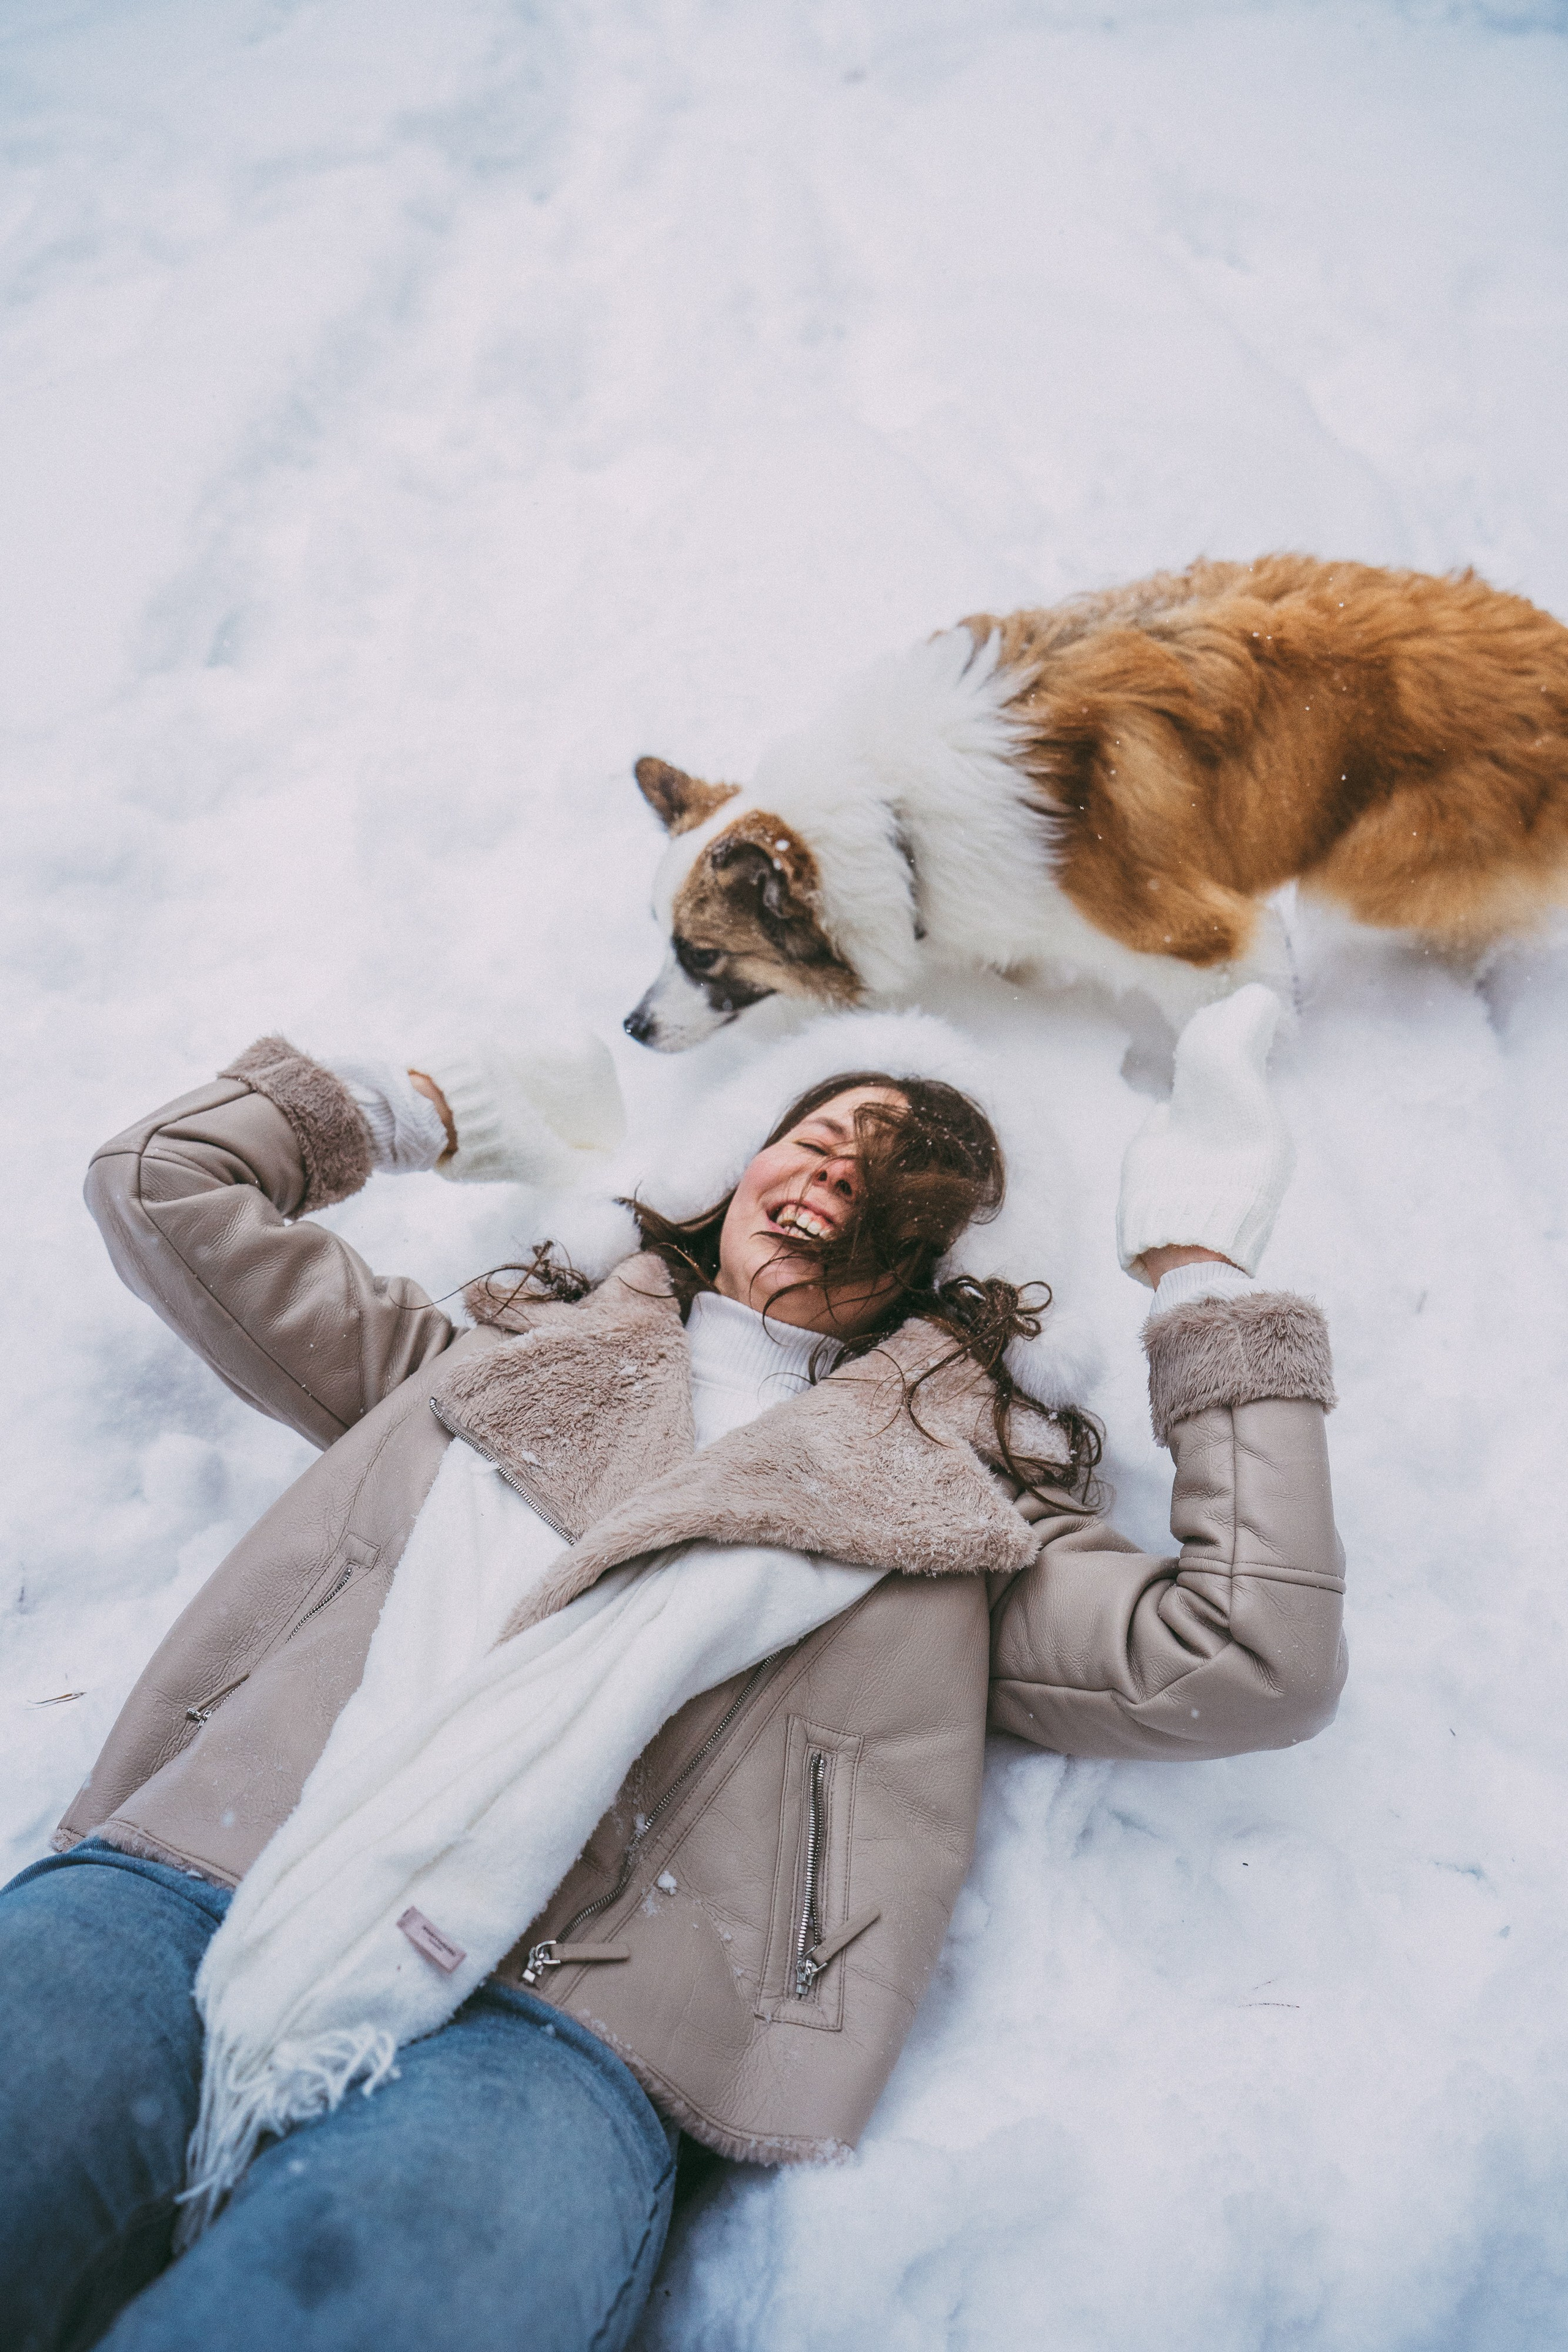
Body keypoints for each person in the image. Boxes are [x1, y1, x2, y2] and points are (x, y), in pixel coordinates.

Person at [0, 988, 1344, 2352]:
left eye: (890, 1163)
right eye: (813, 1133)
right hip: (204, 1868)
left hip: (576, 2031)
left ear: (960, 1253)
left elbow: (1245, 1654)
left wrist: (1199, 1271)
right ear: (722, 1171)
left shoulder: (962, 1523)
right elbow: (163, 1182)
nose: (832, 1169)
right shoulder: (481, 1362)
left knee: (341, 2303)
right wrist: (429, 1102)